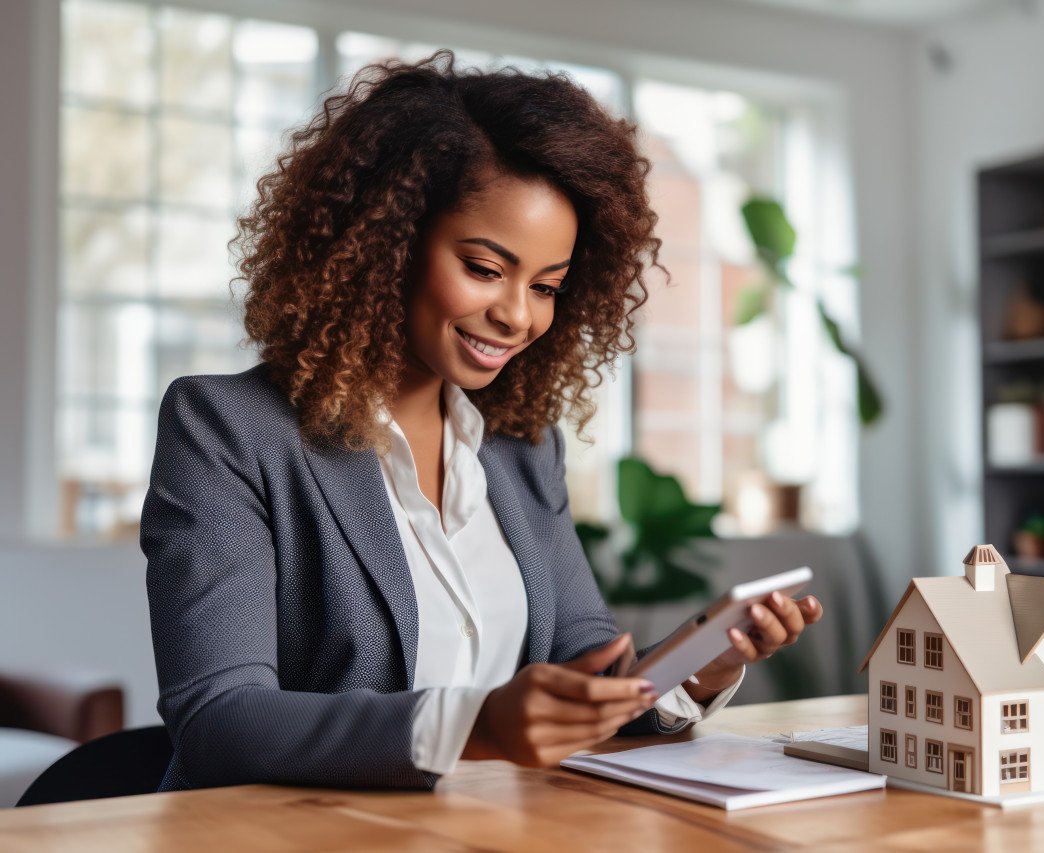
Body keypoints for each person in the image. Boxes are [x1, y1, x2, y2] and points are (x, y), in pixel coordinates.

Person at [142, 51, 822, 792]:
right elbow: (219, 716)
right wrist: (473, 726)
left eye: (547, 285)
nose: (517, 314)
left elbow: (584, 661)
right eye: (484, 267)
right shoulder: (228, 428)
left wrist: (697, 668)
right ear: (386, 243)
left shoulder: (521, 450)